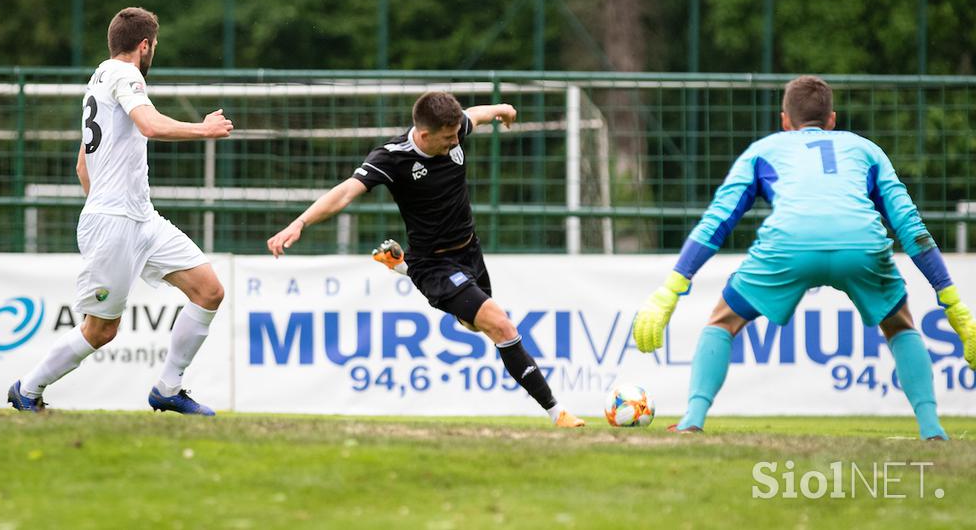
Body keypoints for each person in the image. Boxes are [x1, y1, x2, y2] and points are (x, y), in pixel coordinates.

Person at [633, 75, 976, 439]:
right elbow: (911, 227)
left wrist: (671, 288)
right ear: (832, 119)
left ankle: (692, 420)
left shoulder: (763, 151)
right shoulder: (866, 150)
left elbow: (716, 221)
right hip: (859, 245)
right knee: (900, 325)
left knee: (723, 321)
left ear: (785, 121)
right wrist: (952, 302)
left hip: (788, 245)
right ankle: (932, 428)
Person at [267, 91, 585, 427]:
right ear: (424, 134)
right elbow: (346, 191)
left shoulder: (454, 128)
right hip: (435, 264)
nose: (455, 141)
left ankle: (402, 267)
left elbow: (473, 115)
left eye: (456, 135)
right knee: (501, 325)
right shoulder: (392, 157)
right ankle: (557, 412)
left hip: (470, 251)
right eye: (447, 138)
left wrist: (501, 109)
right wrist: (300, 222)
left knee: (473, 325)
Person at [8, 7, 234, 415]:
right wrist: (205, 129)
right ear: (144, 45)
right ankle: (27, 388)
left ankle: (168, 386)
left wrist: (109, 204)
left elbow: (83, 165)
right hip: (115, 222)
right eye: (154, 48)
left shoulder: (97, 81)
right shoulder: (126, 74)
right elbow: (149, 125)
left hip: (141, 218)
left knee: (209, 291)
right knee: (101, 330)